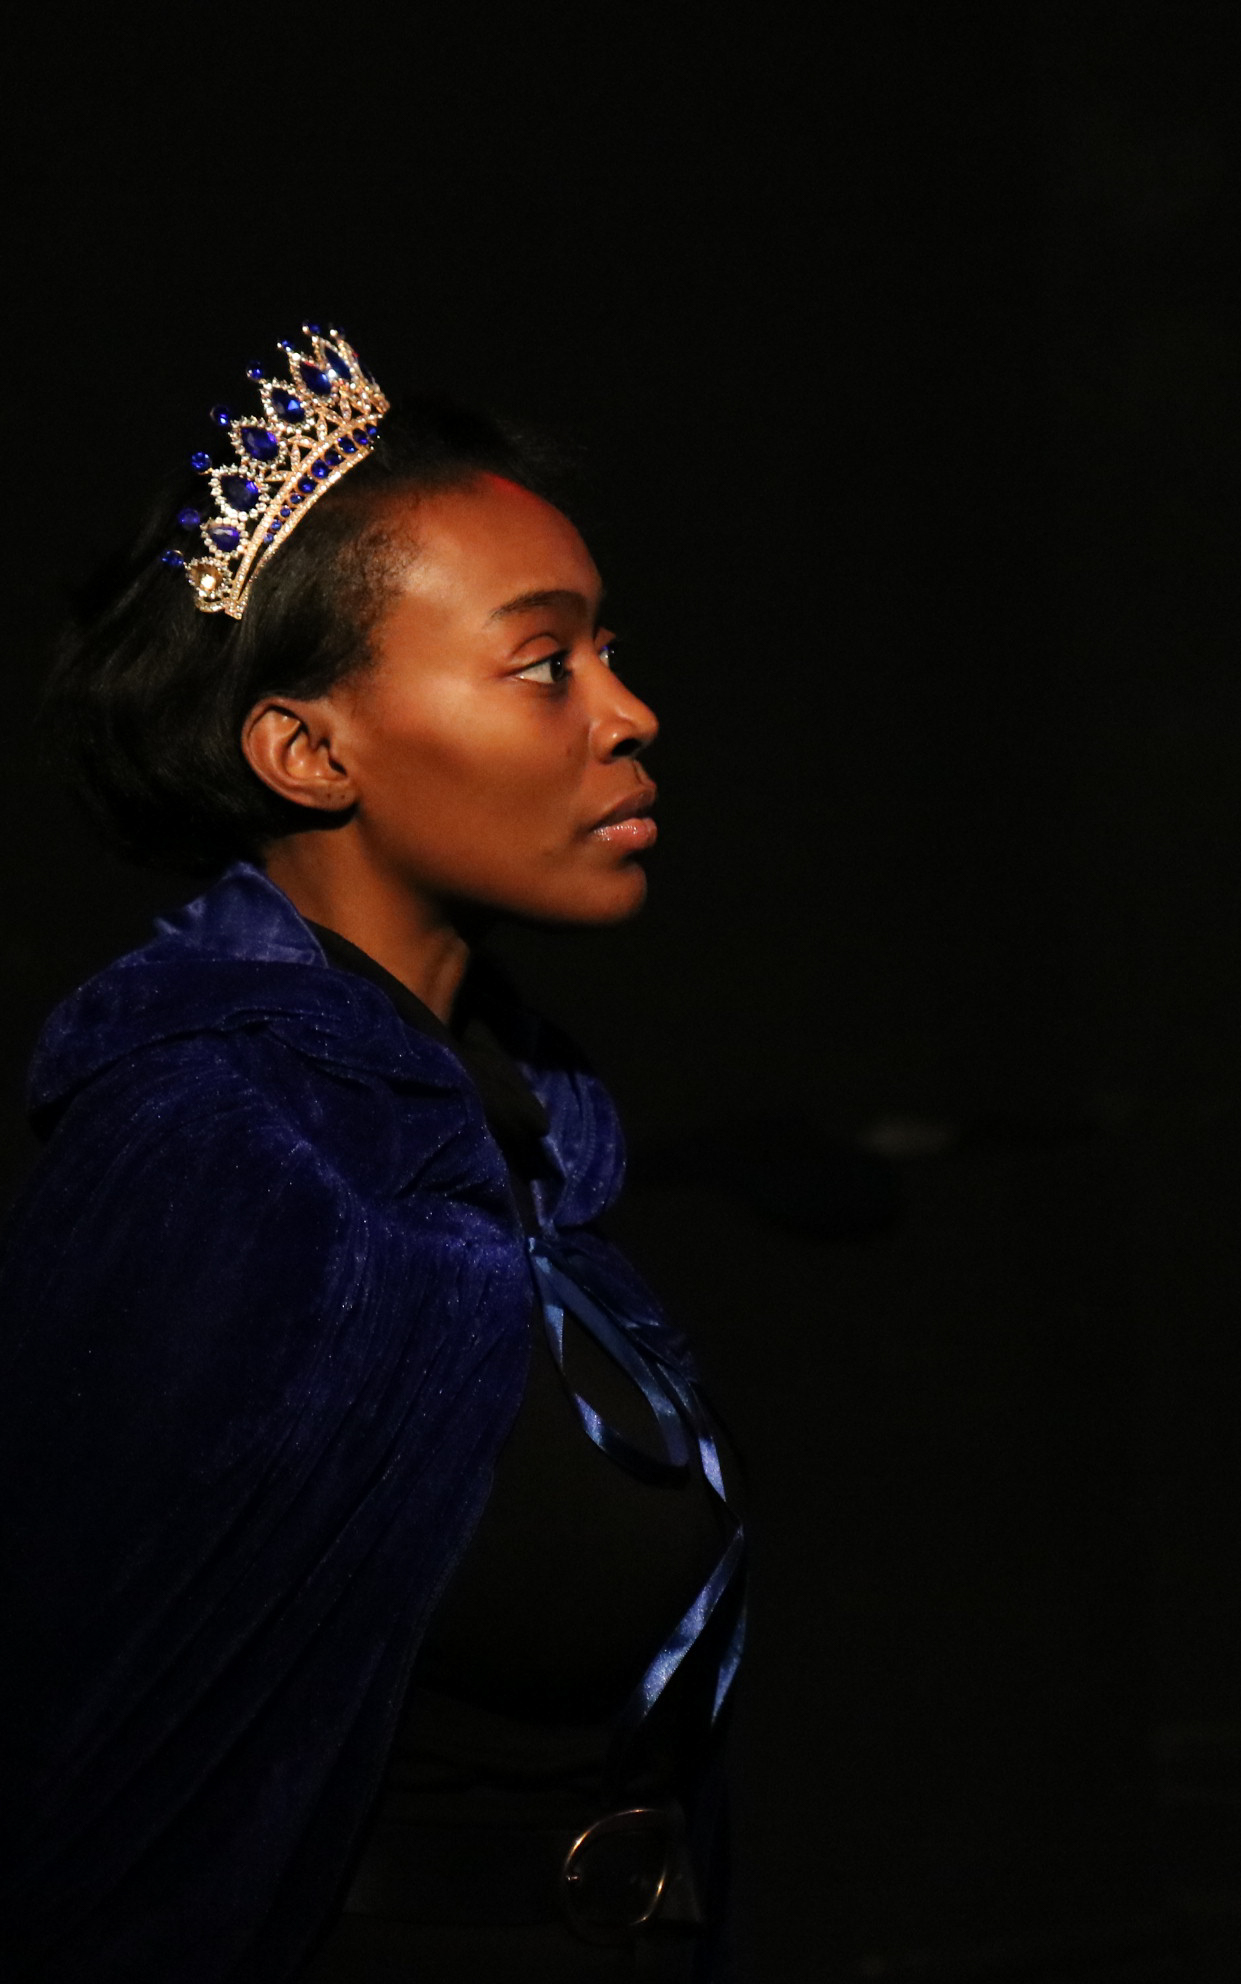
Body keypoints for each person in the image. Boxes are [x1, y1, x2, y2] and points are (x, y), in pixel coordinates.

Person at [0, 325, 744, 1983]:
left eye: (608, 650)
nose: (630, 713)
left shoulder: (518, 1147)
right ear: (308, 749)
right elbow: (89, 1763)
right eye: (542, 663)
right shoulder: (221, 1149)